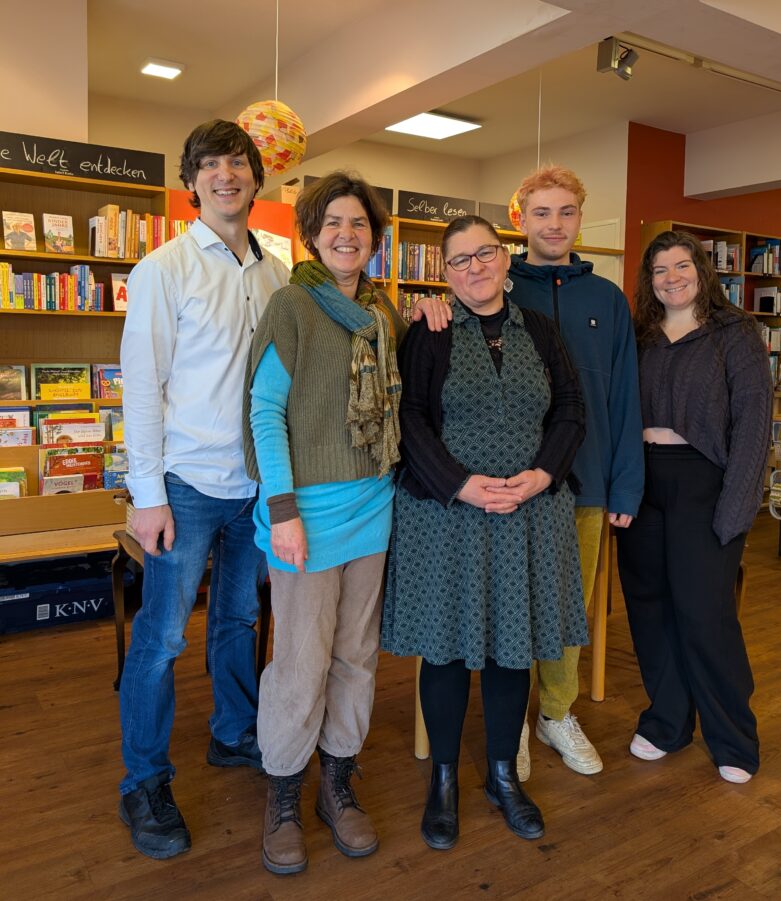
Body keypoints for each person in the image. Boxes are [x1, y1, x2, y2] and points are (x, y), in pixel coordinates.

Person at [242, 170, 449, 876]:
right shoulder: (292, 307)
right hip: (305, 517)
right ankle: (283, 792)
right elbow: (265, 412)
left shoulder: (385, 316)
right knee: (299, 660)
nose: (346, 234)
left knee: (356, 655)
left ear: (374, 238)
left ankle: (337, 779)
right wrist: (283, 511)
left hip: (374, 508)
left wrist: (423, 315)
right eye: (333, 222)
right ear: (311, 233)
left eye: (358, 224)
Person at [382, 214, 587, 850]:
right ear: (443, 273)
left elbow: (571, 409)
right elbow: (408, 418)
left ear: (505, 259)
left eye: (486, 255)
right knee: (442, 649)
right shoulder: (428, 334)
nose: (476, 267)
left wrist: (541, 474)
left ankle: (503, 774)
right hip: (446, 516)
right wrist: (459, 482)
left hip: (528, 513)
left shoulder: (542, 331)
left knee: (510, 648)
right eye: (461, 260)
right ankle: (444, 779)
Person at [119, 119, 291, 860]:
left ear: (258, 178)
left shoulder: (278, 271)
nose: (227, 174)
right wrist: (146, 492)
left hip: (255, 485)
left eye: (239, 163)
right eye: (211, 164)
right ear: (191, 182)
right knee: (160, 638)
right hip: (186, 485)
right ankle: (145, 780)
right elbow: (141, 387)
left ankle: (233, 733)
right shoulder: (164, 268)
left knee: (237, 624)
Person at [616, 230, 772, 783]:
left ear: (703, 271)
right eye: (660, 270)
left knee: (706, 615)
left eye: (682, 266)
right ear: (648, 280)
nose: (672, 278)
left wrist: (738, 507)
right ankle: (667, 723)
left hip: (707, 483)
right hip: (642, 480)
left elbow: (755, 423)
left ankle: (733, 738)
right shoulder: (640, 336)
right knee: (650, 610)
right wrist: (620, 488)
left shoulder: (736, 334)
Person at [508, 165, 644, 778]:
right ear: (522, 219)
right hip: (511, 483)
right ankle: (511, 719)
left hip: (585, 484)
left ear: (579, 220)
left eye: (565, 212)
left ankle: (556, 713)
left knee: (566, 608)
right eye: (542, 213)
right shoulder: (497, 284)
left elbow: (626, 401)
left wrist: (626, 483)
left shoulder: (608, 300)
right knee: (511, 604)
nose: (554, 224)